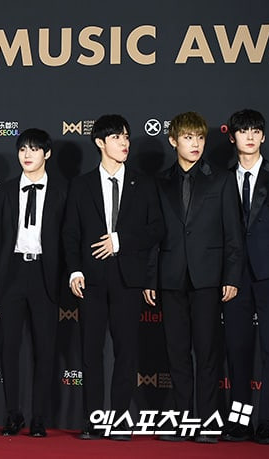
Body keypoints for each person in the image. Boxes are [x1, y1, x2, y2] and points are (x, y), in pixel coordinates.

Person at [144, 111, 244, 443]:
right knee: (176, 354)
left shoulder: (222, 179)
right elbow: (153, 236)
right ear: (173, 140)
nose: (195, 144)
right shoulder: (159, 181)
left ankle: (209, 423)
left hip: (208, 279)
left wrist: (232, 276)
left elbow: (233, 234)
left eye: (200, 137)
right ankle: (181, 421)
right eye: (188, 138)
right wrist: (150, 279)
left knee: (208, 354)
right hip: (170, 278)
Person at [63, 114, 163, 441]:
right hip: (90, 280)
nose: (124, 143)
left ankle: (120, 420)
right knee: (90, 352)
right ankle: (93, 420)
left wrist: (120, 241)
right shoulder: (81, 185)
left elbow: (157, 229)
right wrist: (75, 270)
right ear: (100, 143)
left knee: (126, 352)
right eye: (117, 137)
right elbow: (71, 233)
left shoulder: (144, 183)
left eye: (127, 137)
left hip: (128, 279)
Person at [0, 128, 66, 437]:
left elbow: (68, 239)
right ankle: (13, 414)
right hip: (12, 273)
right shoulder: (3, 192)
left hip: (45, 274)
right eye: (22, 149)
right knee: (8, 347)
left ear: (47, 154)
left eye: (34, 149)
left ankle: (39, 417)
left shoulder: (63, 191)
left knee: (45, 349)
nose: (27, 154)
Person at [221, 109, 269, 445]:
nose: (250, 136)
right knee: (238, 350)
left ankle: (267, 423)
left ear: (263, 136)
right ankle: (240, 422)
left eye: (255, 131)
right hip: (234, 276)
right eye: (243, 131)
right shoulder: (221, 179)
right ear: (232, 136)